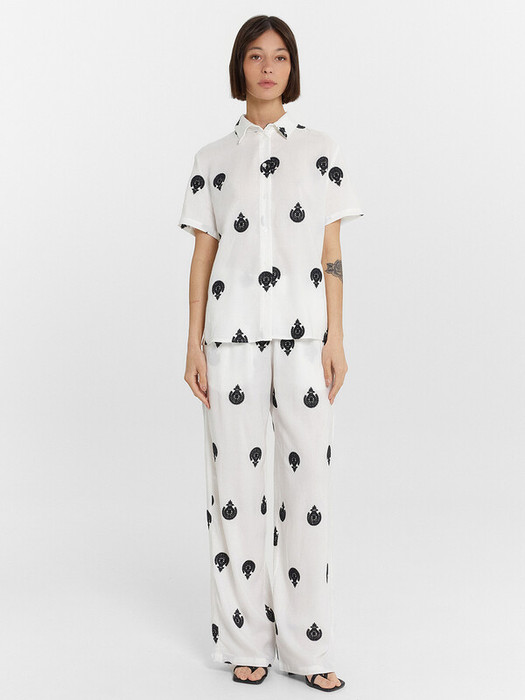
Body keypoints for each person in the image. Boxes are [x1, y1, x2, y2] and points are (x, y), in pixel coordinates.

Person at [179, 14, 364, 692]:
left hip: (304, 340)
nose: (267, 67)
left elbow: (331, 252)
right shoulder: (211, 159)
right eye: (255, 56)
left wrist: (336, 338)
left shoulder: (321, 150)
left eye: (279, 56)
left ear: (292, 68)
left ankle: (308, 647)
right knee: (233, 492)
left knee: (307, 488)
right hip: (228, 339)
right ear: (239, 67)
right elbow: (202, 258)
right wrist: (193, 342)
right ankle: (243, 641)